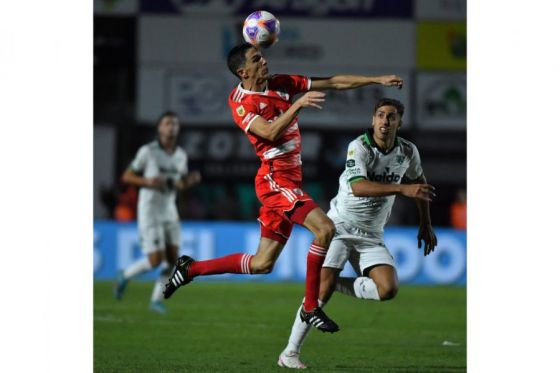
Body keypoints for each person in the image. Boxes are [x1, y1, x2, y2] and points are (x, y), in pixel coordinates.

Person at [163, 43, 404, 333]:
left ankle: (190, 269)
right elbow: (269, 132)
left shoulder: (281, 83)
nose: (264, 61)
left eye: (262, 56)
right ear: (243, 71)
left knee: (262, 263)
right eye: (256, 59)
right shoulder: (240, 102)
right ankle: (312, 307)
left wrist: (375, 80)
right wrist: (298, 105)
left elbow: (334, 82)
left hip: (290, 180)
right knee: (325, 229)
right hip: (275, 180)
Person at [277, 98, 437, 369]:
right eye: (380, 116)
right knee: (319, 296)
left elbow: (419, 184)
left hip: (372, 234)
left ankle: (333, 282)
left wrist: (426, 223)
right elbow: (359, 187)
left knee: (388, 289)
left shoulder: (408, 151)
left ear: (400, 122)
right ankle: (290, 353)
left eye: (391, 117)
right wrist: (401, 189)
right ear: (373, 119)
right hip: (339, 226)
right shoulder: (359, 146)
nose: (385, 122)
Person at [113, 111, 201, 313]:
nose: (172, 127)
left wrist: (189, 181)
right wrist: (146, 181)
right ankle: (124, 276)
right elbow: (126, 176)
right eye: (168, 123)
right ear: (160, 128)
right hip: (149, 210)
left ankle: (155, 301)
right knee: (155, 261)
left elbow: (177, 184)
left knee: (172, 259)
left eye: (175, 124)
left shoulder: (181, 155)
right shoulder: (148, 152)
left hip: (169, 209)